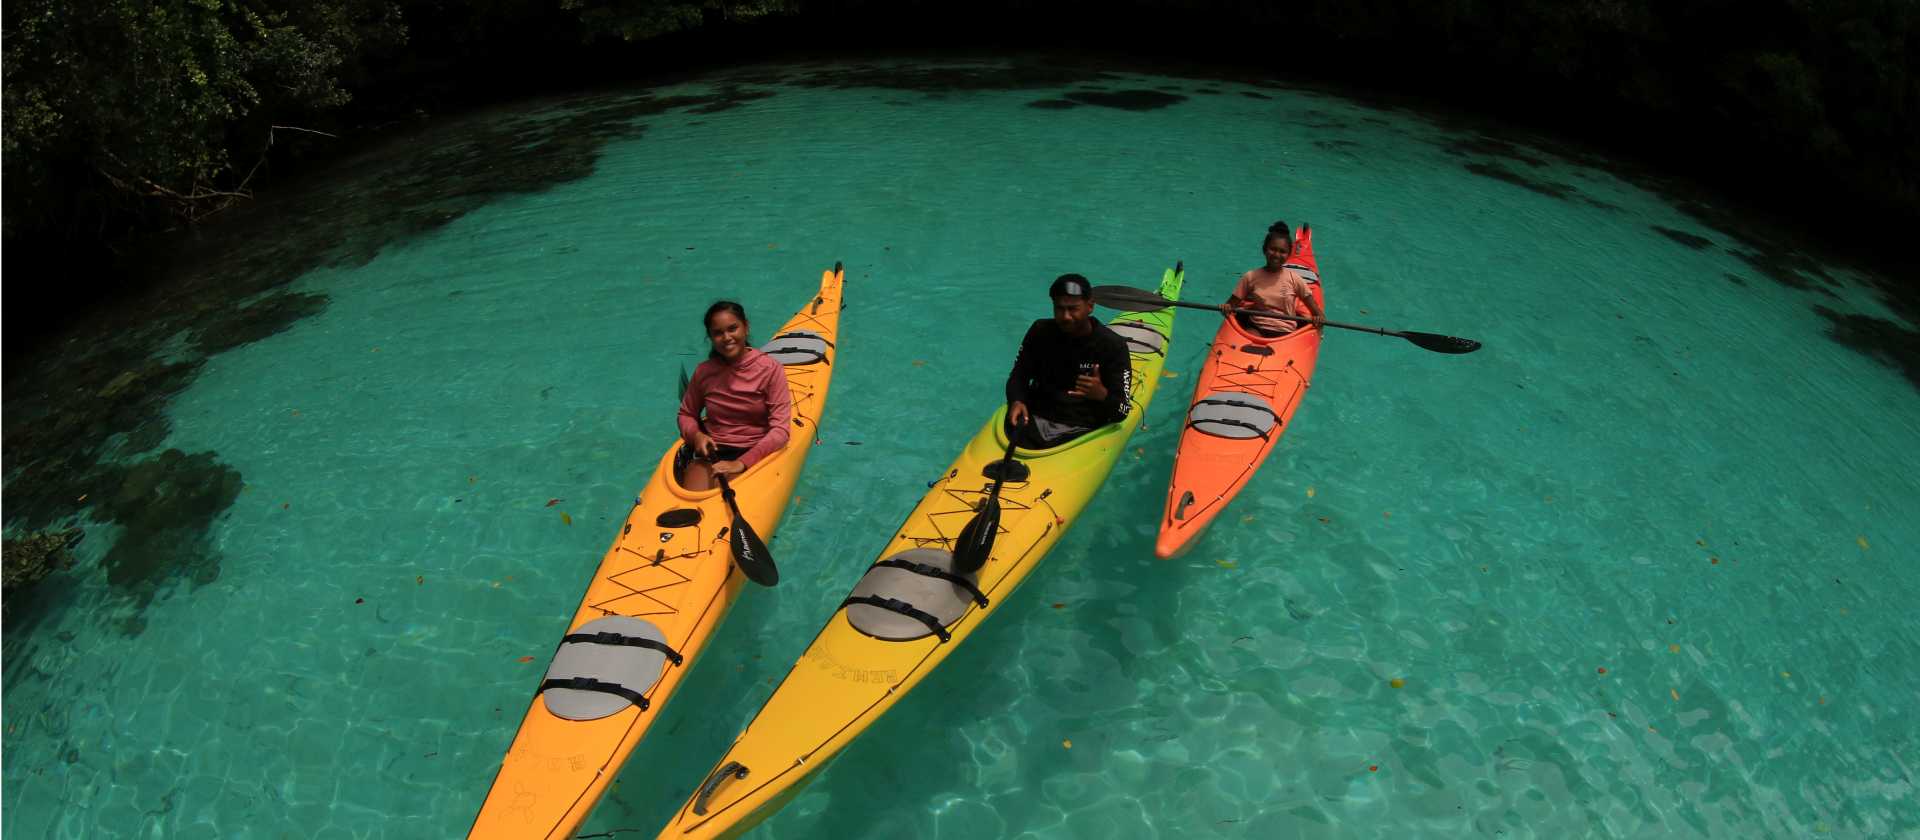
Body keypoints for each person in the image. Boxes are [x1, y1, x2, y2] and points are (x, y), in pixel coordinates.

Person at [1004, 274, 1133, 449]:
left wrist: (1101, 394)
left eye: (1073, 309)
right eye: (1059, 308)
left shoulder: (1113, 346)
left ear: (1090, 306)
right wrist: (1016, 400)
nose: (1065, 316)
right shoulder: (1040, 331)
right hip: (1033, 418)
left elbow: (1122, 411)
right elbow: (1019, 375)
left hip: (1082, 429)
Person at [677, 301, 793, 491]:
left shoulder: (770, 370)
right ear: (711, 337)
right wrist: (696, 436)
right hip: (713, 452)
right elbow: (686, 414)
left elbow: (780, 431)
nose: (727, 337)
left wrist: (741, 463)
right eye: (718, 333)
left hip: (756, 452)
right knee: (691, 504)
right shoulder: (704, 372)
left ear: (746, 327)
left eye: (733, 329)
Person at [1221, 221, 1324, 337]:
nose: (1276, 255)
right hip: (1256, 328)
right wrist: (1226, 308)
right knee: (1251, 336)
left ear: (1288, 254)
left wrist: (1318, 321)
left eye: (1282, 251)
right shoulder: (1250, 277)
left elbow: (1317, 313)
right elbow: (1230, 306)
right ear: (1265, 250)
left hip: (1286, 333)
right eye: (1273, 249)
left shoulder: (1295, 279)